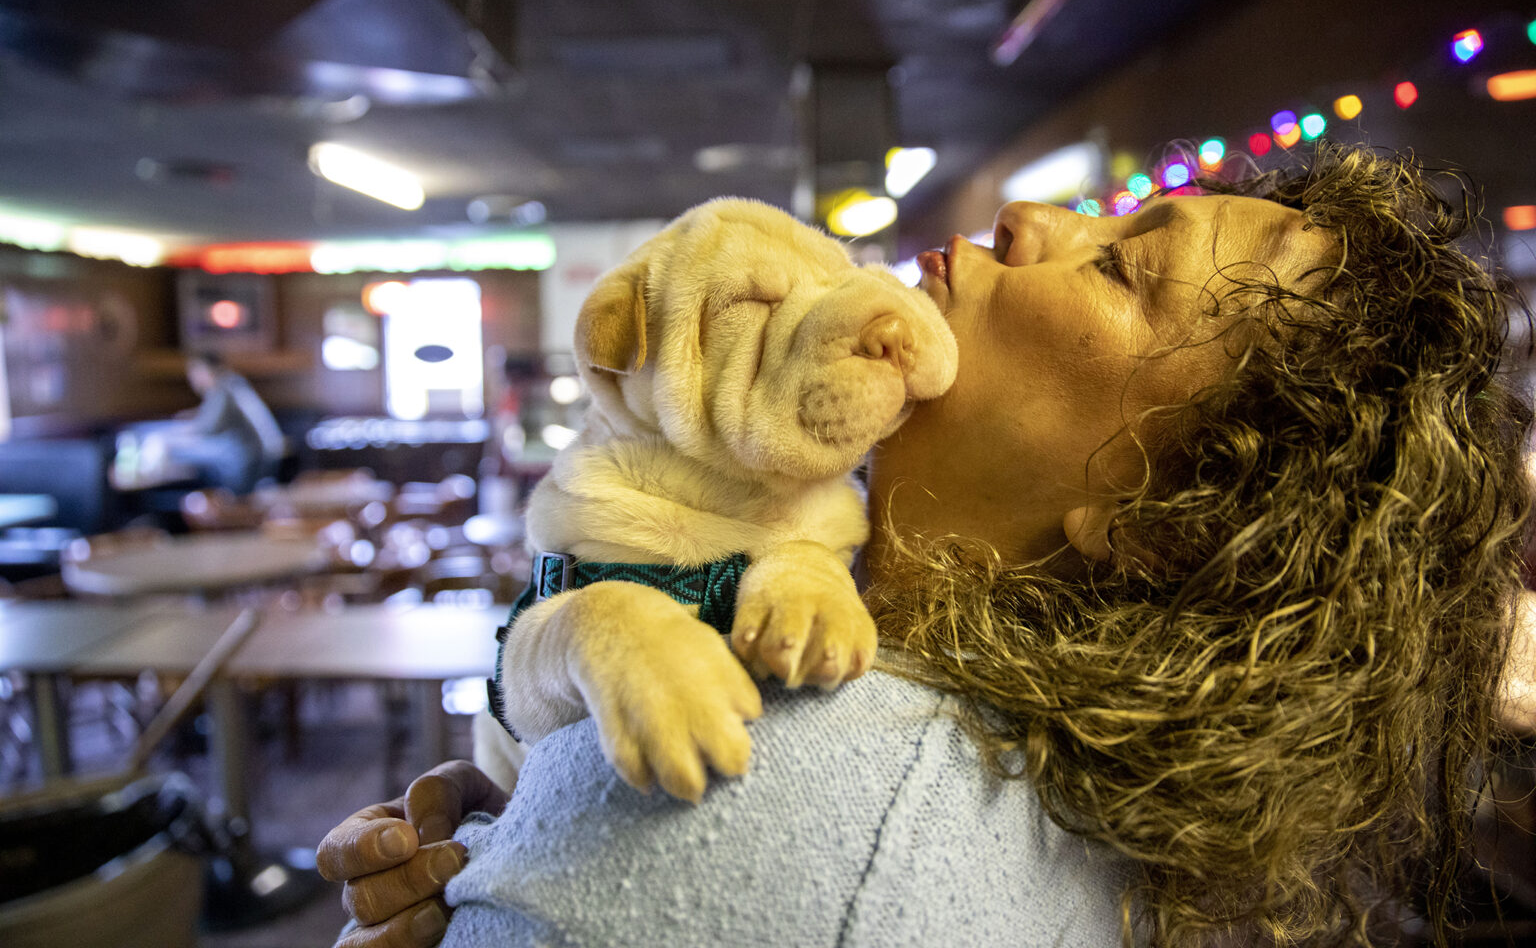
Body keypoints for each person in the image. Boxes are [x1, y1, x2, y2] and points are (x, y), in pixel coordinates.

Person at [317, 144, 1533, 947]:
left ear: (1167, 524)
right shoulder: (979, 763)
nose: (1031, 217)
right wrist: (510, 830)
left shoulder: (771, 799)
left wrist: (561, 864)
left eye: (1124, 263)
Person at [158, 352, 286, 494]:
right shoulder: (232, 383)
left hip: (246, 459)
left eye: (194, 371)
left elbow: (210, 428)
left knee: (172, 450)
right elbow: (212, 414)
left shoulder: (223, 389)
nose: (191, 378)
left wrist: (181, 431)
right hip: (261, 455)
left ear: (205, 370)